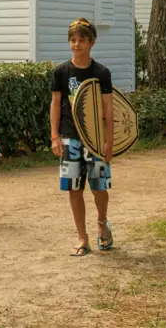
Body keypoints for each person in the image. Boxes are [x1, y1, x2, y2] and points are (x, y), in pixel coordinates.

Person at [49, 18, 115, 257]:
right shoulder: (60, 72)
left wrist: (109, 140)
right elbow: (56, 104)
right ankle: (82, 238)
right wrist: (55, 135)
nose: (76, 44)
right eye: (73, 40)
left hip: (96, 141)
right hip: (70, 138)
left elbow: (108, 109)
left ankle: (101, 222)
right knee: (74, 189)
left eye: (82, 40)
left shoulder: (101, 73)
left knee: (99, 188)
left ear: (92, 42)